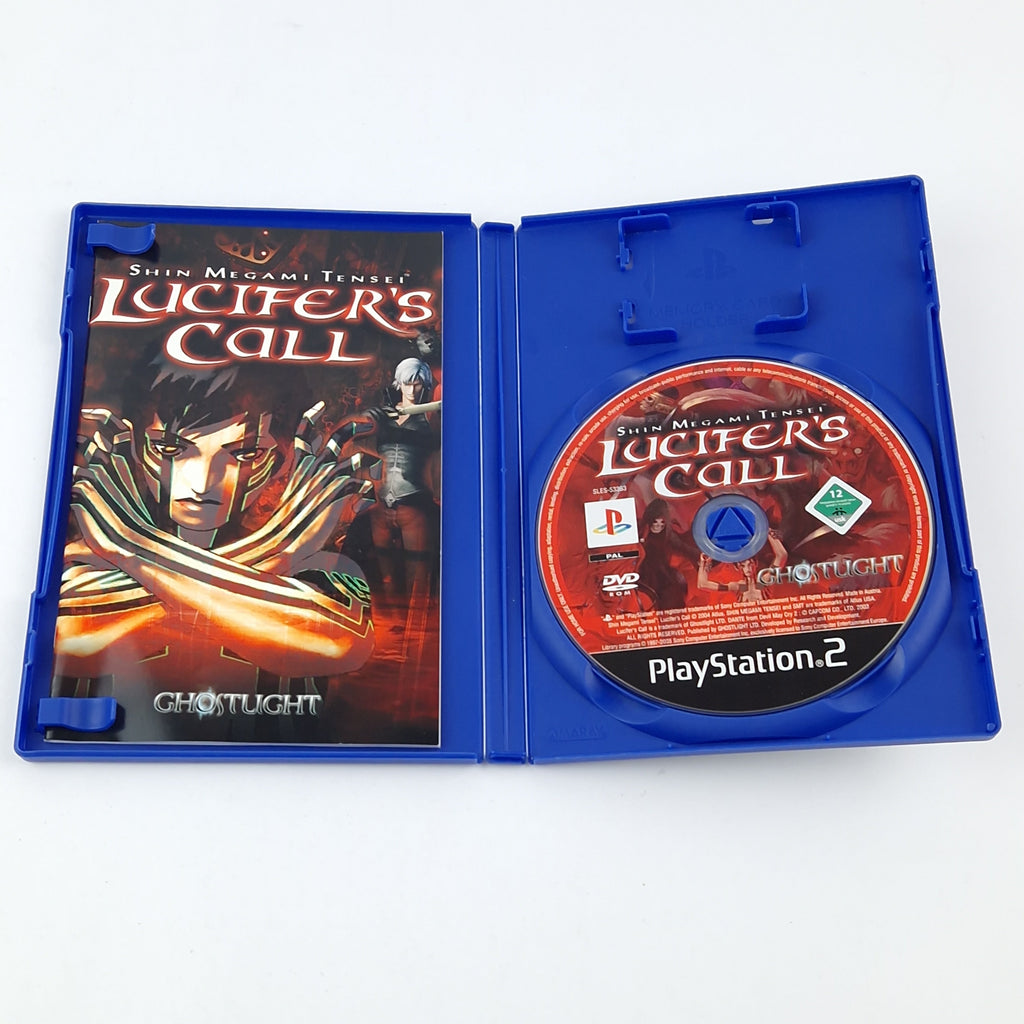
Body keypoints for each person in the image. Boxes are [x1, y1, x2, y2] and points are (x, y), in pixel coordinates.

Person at [55, 358, 375, 698]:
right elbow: (68, 638)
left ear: (283, 461)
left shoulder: (324, 565)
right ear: (135, 447)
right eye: (171, 449)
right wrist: (280, 548)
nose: (202, 482)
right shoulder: (83, 558)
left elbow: (340, 641)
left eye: (244, 453)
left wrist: (130, 543)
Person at [339, 357, 441, 598]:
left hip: (413, 505)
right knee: (385, 582)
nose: (412, 390)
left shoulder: (430, 420)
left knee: (417, 580)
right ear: (399, 384)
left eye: (418, 384)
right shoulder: (385, 418)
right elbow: (365, 441)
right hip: (382, 506)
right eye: (407, 383)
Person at [697, 530, 787, 603]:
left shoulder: (762, 582)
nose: (748, 568)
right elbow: (703, 585)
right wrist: (704, 563)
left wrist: (769, 533)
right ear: (739, 567)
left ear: (755, 564)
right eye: (744, 565)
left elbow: (782, 556)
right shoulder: (740, 587)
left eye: (750, 564)